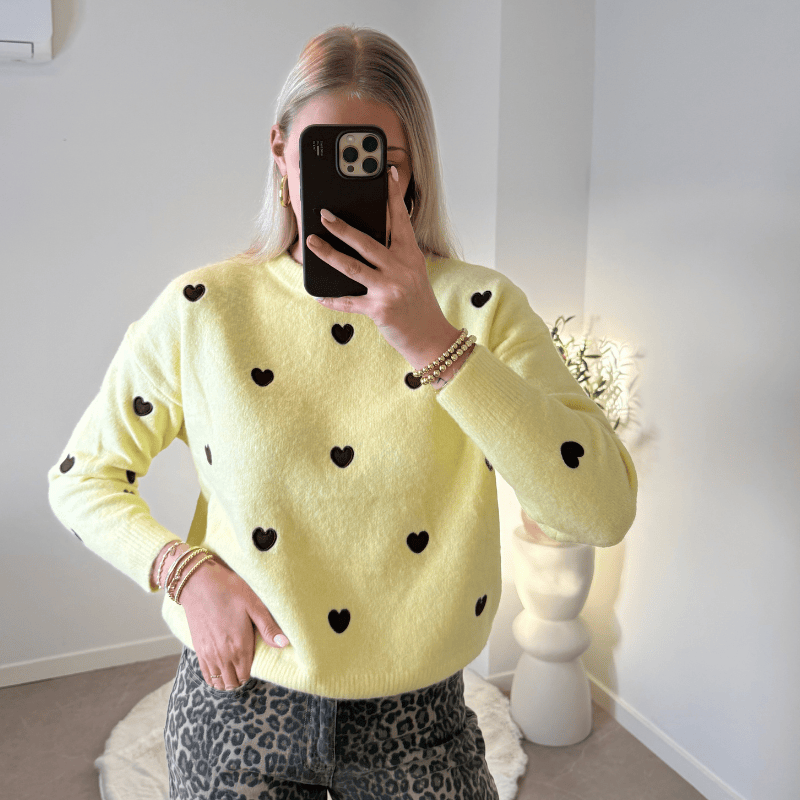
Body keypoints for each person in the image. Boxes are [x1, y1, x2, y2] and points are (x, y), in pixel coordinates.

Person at [47, 24, 638, 800]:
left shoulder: (480, 308)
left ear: (412, 169)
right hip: (242, 700)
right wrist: (184, 573)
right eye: (323, 153)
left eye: (377, 159)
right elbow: (81, 477)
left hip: (418, 715)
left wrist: (429, 339)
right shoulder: (203, 309)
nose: (348, 180)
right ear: (280, 153)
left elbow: (600, 510)